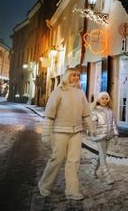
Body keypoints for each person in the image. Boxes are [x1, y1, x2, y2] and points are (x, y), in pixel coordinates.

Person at [38, 67, 94, 201]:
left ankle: (72, 191)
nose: (76, 78)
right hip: (60, 131)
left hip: (76, 131)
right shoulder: (58, 92)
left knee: (74, 161)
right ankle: (45, 185)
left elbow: (86, 113)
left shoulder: (80, 92)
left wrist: (92, 128)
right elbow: (49, 114)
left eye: (77, 76)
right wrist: (45, 134)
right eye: (73, 75)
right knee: (56, 159)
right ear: (67, 76)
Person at [90, 91, 118, 184]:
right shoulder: (95, 111)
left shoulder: (110, 111)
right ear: (98, 99)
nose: (104, 100)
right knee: (103, 157)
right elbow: (91, 124)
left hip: (108, 136)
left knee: (102, 155)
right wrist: (93, 132)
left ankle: (92, 170)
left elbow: (113, 123)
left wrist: (115, 134)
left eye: (106, 98)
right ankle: (106, 175)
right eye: (103, 98)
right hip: (100, 136)